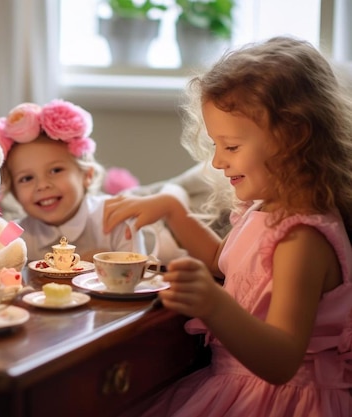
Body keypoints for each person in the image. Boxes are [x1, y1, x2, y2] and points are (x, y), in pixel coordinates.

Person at [103, 36, 352, 416]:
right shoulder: (265, 210)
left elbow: (282, 360)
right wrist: (174, 210)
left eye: (231, 147)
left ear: (294, 137)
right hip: (240, 384)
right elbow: (224, 260)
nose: (218, 162)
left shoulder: (302, 240)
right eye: (215, 145)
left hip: (281, 400)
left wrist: (213, 303)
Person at [0, 99, 187, 263]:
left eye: (55, 170)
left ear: (86, 176)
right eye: (26, 178)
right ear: (13, 191)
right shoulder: (15, 234)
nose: (42, 185)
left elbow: (136, 276)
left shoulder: (114, 218)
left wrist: (103, 263)